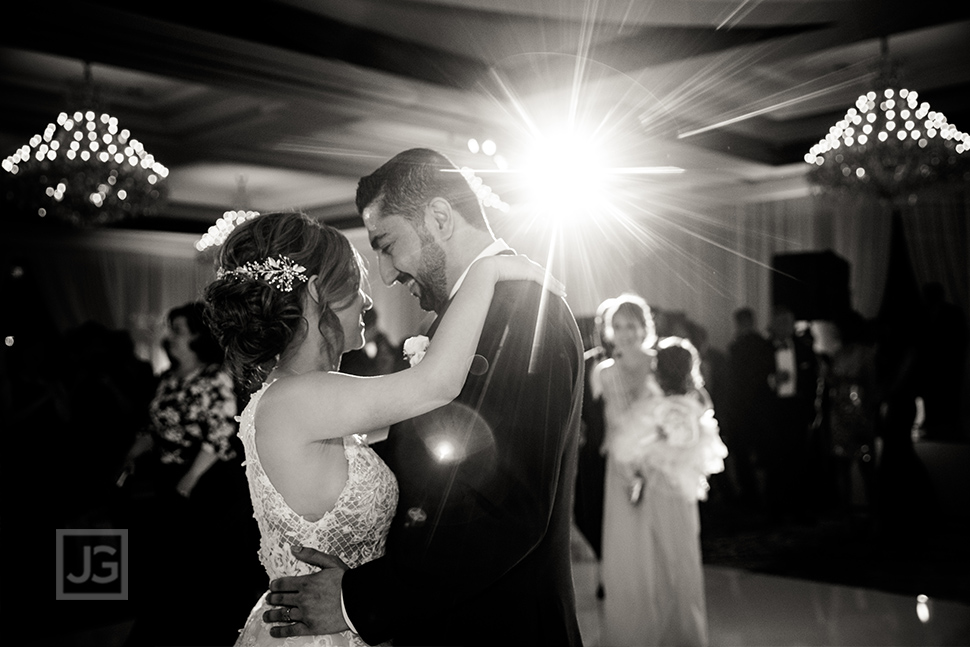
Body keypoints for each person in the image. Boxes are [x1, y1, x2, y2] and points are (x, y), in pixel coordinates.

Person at [256, 149, 586, 647]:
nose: (385, 275)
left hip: (500, 627)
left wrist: (359, 600)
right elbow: (443, 459)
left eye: (386, 245)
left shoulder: (524, 315)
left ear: (438, 218)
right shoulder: (467, 321)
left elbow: (508, 509)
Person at [120, 302, 249, 646]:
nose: (170, 337)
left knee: (200, 565)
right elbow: (155, 425)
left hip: (206, 483)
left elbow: (221, 432)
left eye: (178, 330)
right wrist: (138, 449)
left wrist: (190, 480)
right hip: (168, 479)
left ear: (196, 335)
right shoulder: (167, 379)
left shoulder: (214, 376)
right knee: (171, 565)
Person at [599, 328, 727, 647]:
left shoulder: (651, 409)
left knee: (656, 565)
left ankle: (663, 632)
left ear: (658, 369)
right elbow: (708, 452)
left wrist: (644, 464)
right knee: (683, 561)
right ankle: (687, 633)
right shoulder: (697, 402)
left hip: (657, 494)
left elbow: (625, 450)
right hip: (683, 494)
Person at [722, 306, 775, 514]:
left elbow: (733, 381)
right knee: (761, 455)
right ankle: (762, 497)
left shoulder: (738, 346)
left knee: (744, 454)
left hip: (742, 409)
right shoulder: (764, 344)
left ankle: (751, 496)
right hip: (761, 408)